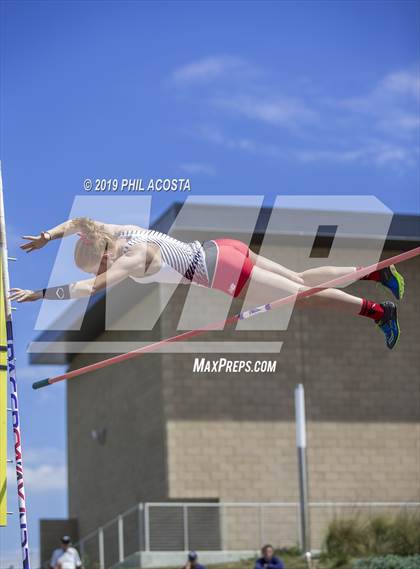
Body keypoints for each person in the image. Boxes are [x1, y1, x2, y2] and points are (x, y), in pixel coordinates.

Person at [10, 217, 404, 349]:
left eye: (95, 268)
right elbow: (80, 222)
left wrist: (39, 295)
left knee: (304, 296)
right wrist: (48, 236)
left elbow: (88, 291)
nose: (97, 275)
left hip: (221, 271)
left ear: (103, 256)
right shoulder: (117, 231)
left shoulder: (129, 258)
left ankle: (378, 312)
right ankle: (378, 271)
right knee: (300, 281)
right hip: (221, 250)